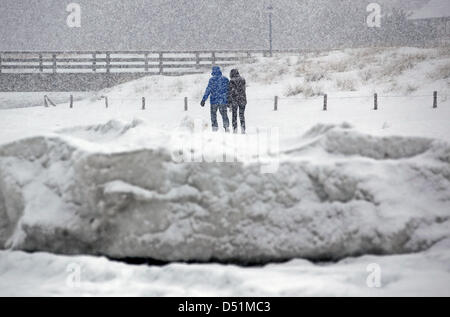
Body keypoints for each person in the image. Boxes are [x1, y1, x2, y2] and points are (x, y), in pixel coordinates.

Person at [200, 66, 230, 132]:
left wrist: (203, 99)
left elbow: (208, 90)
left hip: (214, 101)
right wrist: (229, 100)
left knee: (213, 115)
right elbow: (229, 91)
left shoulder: (212, 80)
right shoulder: (225, 79)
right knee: (224, 114)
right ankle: (226, 127)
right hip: (223, 100)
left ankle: (214, 128)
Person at [228, 69, 247, 134]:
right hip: (242, 99)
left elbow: (231, 92)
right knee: (242, 115)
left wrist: (229, 103)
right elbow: (244, 89)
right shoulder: (243, 80)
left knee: (234, 115)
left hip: (235, 100)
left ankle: (235, 129)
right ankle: (243, 128)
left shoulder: (232, 81)